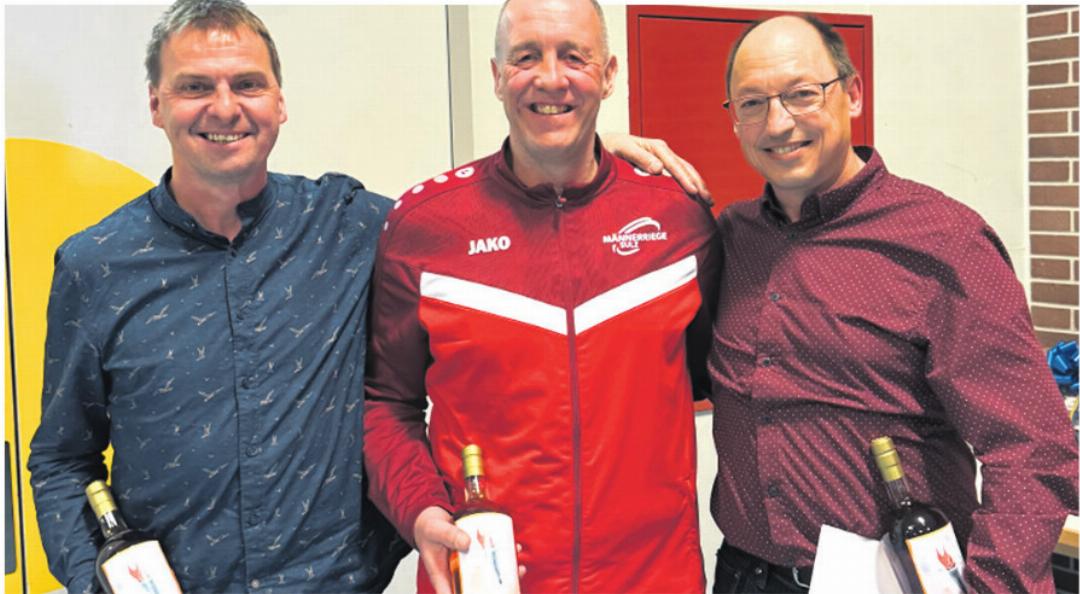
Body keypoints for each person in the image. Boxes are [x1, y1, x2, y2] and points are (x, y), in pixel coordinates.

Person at [26, 1, 411, 591]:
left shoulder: (353, 227)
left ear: (279, 101)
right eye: (195, 86)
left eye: (248, 84)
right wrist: (92, 579)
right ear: (156, 105)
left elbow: (475, 248)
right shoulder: (95, 266)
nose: (225, 107)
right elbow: (61, 458)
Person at [707, 14, 1079, 593]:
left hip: (895, 579)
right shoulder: (733, 238)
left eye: (802, 94)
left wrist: (994, 585)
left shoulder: (943, 242)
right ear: (735, 119)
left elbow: (1033, 449)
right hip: (743, 575)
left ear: (852, 93)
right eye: (752, 103)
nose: (777, 123)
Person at [362, 0, 718, 592]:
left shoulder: (677, 218)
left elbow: (715, 377)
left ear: (609, 74)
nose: (551, 78)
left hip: (654, 577)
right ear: (497, 76)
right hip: (486, 576)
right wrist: (420, 509)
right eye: (526, 57)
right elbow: (384, 403)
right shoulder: (425, 226)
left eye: (574, 57)